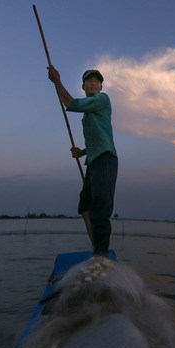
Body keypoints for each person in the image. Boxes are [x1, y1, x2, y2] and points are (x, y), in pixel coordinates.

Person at [47, 65, 118, 258]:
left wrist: (57, 81)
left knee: (100, 208)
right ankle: (97, 250)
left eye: (97, 80)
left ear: (101, 87)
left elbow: (71, 104)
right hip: (94, 159)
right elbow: (98, 138)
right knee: (85, 207)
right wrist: (82, 152)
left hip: (105, 158)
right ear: (84, 86)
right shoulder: (88, 116)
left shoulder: (103, 99)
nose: (93, 82)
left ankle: (102, 257)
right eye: (89, 80)